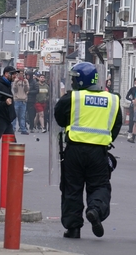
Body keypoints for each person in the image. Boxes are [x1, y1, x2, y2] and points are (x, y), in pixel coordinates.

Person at [54, 62, 122, 239]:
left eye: (74, 79)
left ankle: (73, 228)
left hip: (74, 150)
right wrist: (105, 139)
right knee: (99, 185)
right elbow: (116, 125)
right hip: (98, 152)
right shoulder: (112, 99)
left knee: (72, 188)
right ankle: (95, 210)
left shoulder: (72, 98)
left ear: (81, 80)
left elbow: (59, 118)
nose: (72, 83)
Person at [0, 67, 32, 175]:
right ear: (6, 74)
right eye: (13, 74)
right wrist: (5, 103)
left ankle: (18, 165)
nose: (15, 76)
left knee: (13, 143)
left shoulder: (7, 85)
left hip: (6, 119)